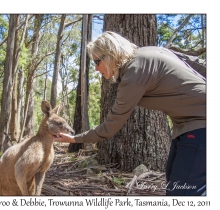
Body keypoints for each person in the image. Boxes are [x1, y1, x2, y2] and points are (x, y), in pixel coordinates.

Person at [54, 31, 206, 196]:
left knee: (183, 194)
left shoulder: (134, 74)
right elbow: (199, 64)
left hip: (202, 124)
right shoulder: (151, 52)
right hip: (186, 126)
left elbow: (110, 126)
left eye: (97, 62)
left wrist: (75, 139)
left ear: (110, 55)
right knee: (175, 183)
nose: (96, 68)